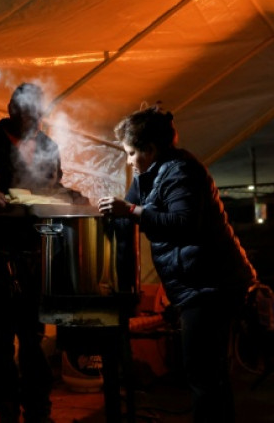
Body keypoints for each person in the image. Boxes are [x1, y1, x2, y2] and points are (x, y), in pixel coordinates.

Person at [97, 104, 257, 423]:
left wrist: (130, 212)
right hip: (202, 284)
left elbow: (183, 223)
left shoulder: (182, 170)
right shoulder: (149, 174)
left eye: (131, 153)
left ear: (151, 149)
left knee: (202, 376)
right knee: (211, 375)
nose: (129, 161)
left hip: (213, 285)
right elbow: (128, 214)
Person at [0, 83, 86, 423]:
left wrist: (72, 197)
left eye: (38, 112)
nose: (33, 118)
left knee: (34, 341)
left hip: (36, 257)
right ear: (11, 108)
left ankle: (39, 413)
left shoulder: (48, 146)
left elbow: (52, 189)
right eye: (26, 111)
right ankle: (7, 413)